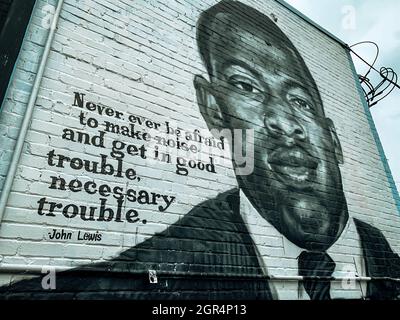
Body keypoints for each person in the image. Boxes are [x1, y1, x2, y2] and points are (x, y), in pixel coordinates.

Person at [1, 0, 400, 300]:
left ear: (332, 137)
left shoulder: (390, 264)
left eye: (301, 102)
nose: (284, 122)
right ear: (212, 108)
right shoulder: (147, 274)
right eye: (246, 86)